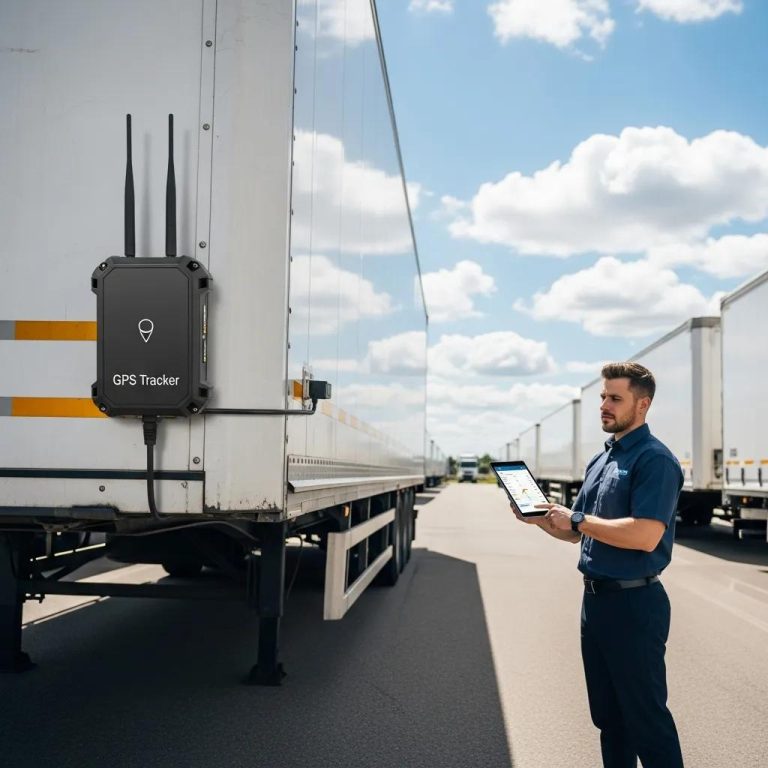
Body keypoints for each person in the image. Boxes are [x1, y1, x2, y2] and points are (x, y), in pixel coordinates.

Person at [512, 362, 684, 768]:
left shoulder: (655, 460)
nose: (604, 405)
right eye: (603, 397)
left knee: (647, 723)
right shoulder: (601, 460)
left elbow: (645, 535)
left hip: (634, 604)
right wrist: (541, 521)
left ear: (642, 405)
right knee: (609, 720)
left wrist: (576, 519)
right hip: (596, 604)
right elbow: (577, 533)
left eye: (615, 398)